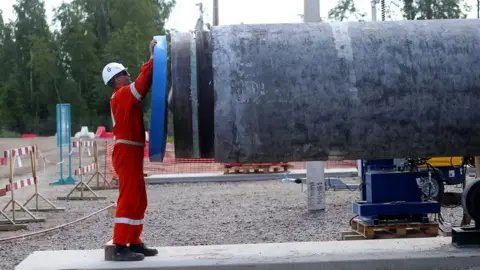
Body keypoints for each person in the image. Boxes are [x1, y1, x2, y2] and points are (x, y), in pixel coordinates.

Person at [101, 39, 158, 261]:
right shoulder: (122, 94)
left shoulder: (123, 94)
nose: (129, 74)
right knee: (128, 197)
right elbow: (142, 84)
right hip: (125, 152)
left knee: (139, 198)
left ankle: (134, 241)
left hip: (131, 151)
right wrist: (152, 59)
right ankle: (119, 245)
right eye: (125, 72)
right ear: (116, 79)